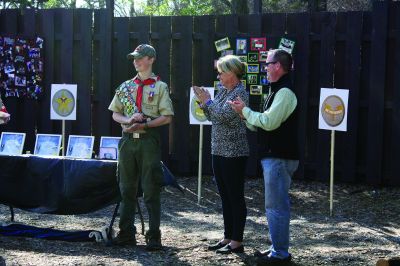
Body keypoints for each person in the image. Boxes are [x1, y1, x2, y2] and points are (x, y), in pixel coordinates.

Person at [229, 49, 299, 265]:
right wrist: (243, 114)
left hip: (279, 157)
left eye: (267, 64)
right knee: (274, 206)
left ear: (278, 65)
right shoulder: (277, 91)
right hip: (275, 157)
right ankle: (276, 249)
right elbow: (262, 123)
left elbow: (269, 122)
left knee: (276, 207)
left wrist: (246, 111)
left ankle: (280, 254)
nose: (265, 68)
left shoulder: (285, 92)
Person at [108, 44, 174, 251]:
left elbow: (167, 117)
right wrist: (129, 119)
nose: (136, 61)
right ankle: (126, 233)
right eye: (134, 58)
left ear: (151, 59)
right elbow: (114, 114)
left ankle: (153, 236)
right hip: (128, 141)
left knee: (151, 189)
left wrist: (144, 123)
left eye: (141, 57)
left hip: (148, 141)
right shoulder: (126, 86)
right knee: (126, 188)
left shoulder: (160, 87)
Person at [193, 55, 249, 254]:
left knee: (235, 196)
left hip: (233, 153)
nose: (218, 76)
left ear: (232, 73)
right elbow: (213, 116)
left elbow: (224, 116)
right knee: (225, 196)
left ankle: (237, 241)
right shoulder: (224, 91)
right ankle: (227, 237)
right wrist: (204, 103)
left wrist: (208, 101)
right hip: (218, 149)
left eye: (221, 72)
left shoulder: (239, 93)